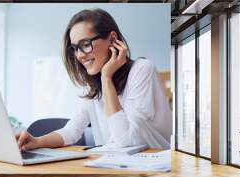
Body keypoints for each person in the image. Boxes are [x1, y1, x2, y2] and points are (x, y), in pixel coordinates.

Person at [15, 8, 172, 151]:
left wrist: (106, 77)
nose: (80, 55)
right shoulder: (92, 87)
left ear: (112, 39)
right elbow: (71, 131)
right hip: (114, 169)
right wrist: (37, 141)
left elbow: (126, 141)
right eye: (75, 48)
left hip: (151, 173)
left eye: (85, 44)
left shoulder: (142, 69)